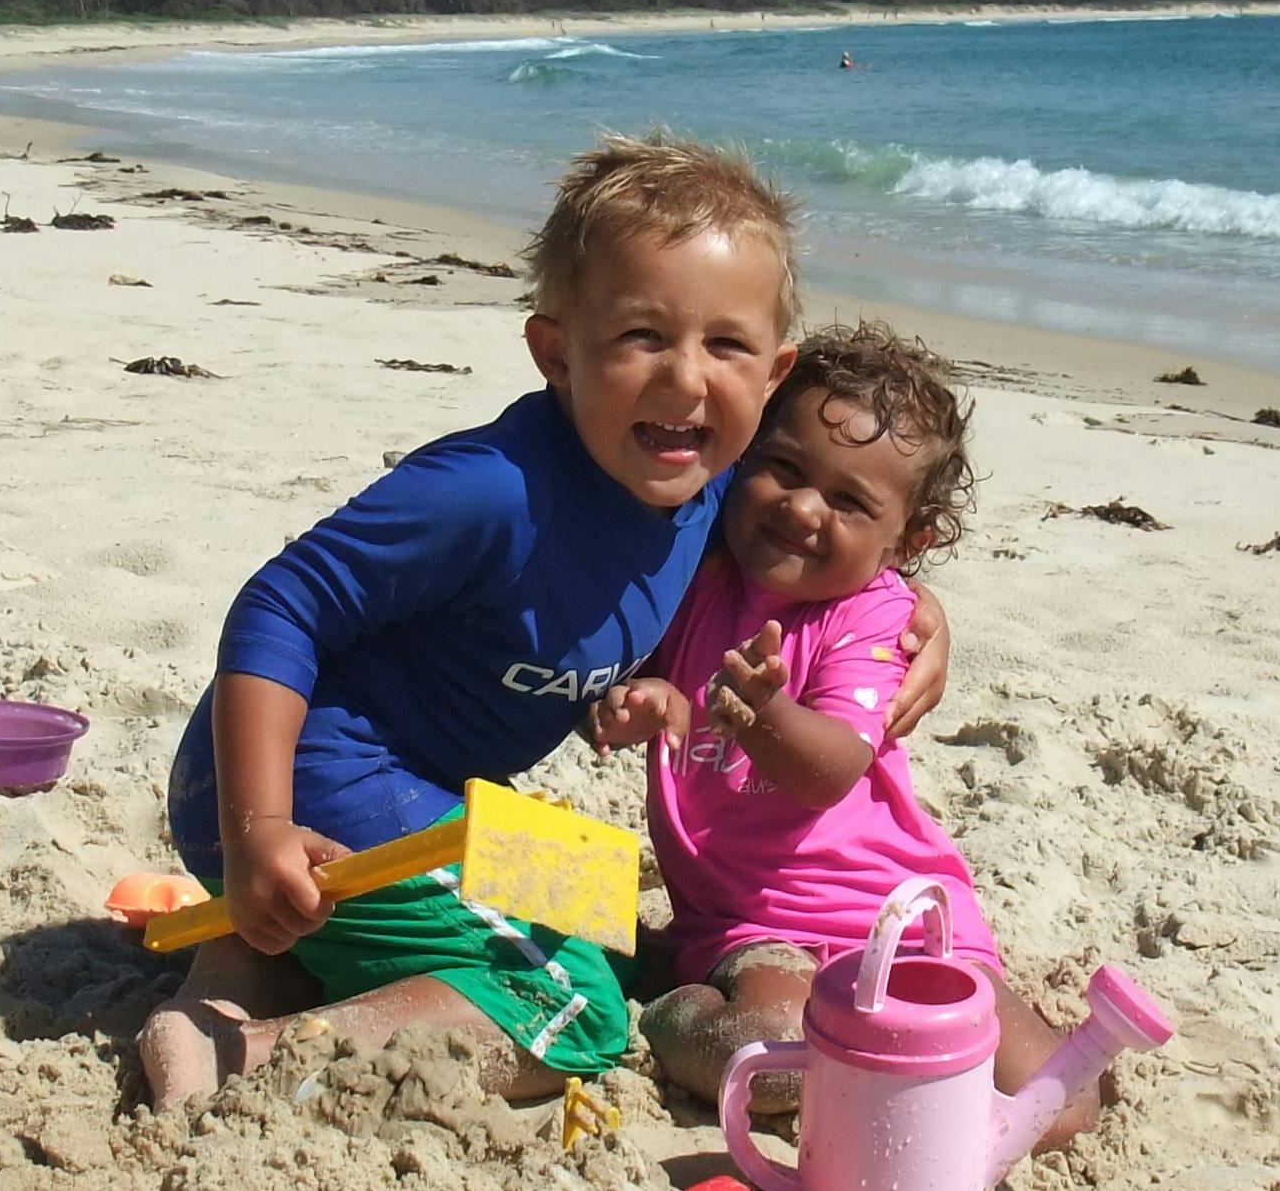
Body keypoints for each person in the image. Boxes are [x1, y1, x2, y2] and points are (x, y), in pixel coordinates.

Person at [132, 135, 939, 1108]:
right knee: (580, 1009)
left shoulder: (701, 479)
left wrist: (926, 615)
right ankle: (263, 1060)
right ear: (557, 352)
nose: (686, 380)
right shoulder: (488, 493)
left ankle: (231, 977)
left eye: (725, 346)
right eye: (642, 337)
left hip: (419, 797)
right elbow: (280, 605)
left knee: (602, 908)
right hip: (302, 783)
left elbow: (816, 532)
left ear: (772, 375)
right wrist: (258, 825)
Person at [600, 323, 1091, 1150]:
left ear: (908, 542)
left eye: (849, 502)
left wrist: (765, 713)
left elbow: (828, 769)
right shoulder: (699, 573)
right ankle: (668, 1000)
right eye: (784, 470)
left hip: (895, 913)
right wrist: (644, 700)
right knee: (775, 1055)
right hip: (756, 923)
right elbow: (655, 686)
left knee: (1063, 1100)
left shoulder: (874, 616)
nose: (801, 507)